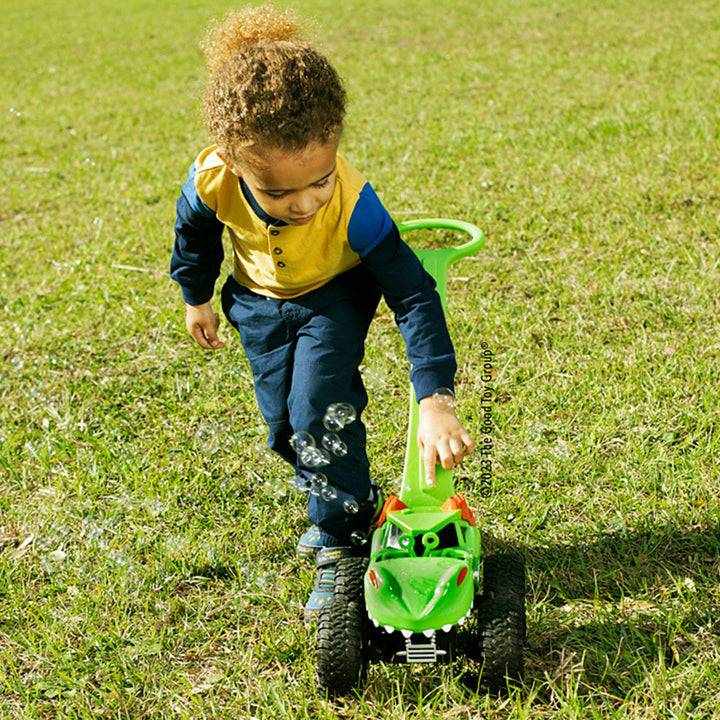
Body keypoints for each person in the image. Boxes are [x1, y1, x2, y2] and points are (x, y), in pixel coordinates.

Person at [170, 3, 475, 620]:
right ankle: (350, 492)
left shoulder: (356, 208)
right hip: (257, 305)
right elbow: (194, 236)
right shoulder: (212, 181)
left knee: (317, 412)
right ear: (232, 162)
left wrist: (435, 397)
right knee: (283, 425)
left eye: (320, 181)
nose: (306, 203)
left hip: (332, 299)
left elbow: (414, 293)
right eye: (279, 192)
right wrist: (195, 294)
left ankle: (342, 537)